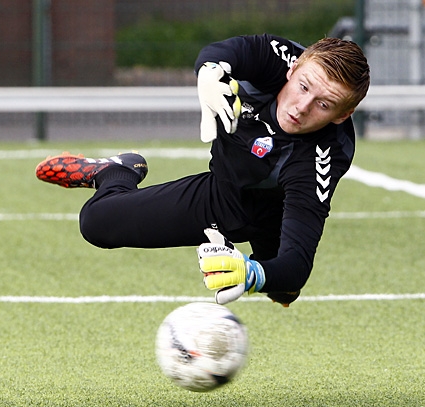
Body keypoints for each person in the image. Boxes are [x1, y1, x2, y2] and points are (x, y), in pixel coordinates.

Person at [35, 34, 370, 306]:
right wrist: (208, 71)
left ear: (343, 114)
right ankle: (117, 172)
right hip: (221, 193)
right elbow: (220, 51)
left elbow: (297, 265)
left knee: (283, 289)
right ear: (293, 68)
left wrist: (251, 274)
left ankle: (265, 273)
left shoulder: (321, 158)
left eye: (324, 104)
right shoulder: (275, 58)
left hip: (275, 213)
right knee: (96, 222)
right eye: (304, 86)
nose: (302, 106)